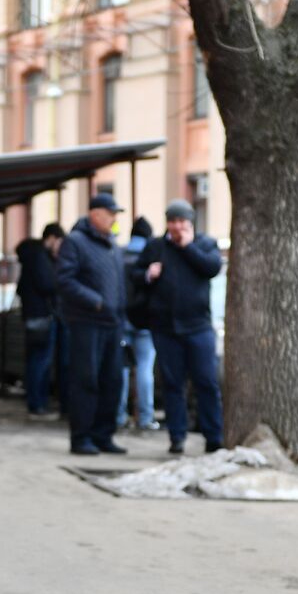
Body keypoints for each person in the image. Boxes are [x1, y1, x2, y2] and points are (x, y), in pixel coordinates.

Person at [133, 199, 224, 455]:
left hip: (199, 327)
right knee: (173, 385)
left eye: (182, 221)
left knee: (206, 383)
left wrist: (188, 247)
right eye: (172, 221)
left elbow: (212, 267)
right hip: (165, 328)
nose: (177, 227)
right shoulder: (155, 247)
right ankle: (176, 437)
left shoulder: (205, 243)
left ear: (190, 222)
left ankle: (213, 437)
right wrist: (147, 274)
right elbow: (135, 276)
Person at [57, 193, 129, 456]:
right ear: (95, 214)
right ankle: (81, 437)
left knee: (112, 381)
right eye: (110, 214)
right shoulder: (75, 242)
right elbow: (65, 281)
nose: (114, 219)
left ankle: (103, 435)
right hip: (87, 322)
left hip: (113, 324)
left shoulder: (111, 244)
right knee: (86, 380)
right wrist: (96, 301)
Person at [15, 223, 66, 418]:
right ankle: (38, 404)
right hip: (42, 315)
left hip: (32, 314)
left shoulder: (31, 256)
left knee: (35, 359)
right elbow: (48, 284)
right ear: (52, 238)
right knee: (41, 361)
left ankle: (36, 401)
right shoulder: (40, 257)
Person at [119, 217, 159, 431]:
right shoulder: (152, 256)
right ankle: (145, 418)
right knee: (144, 368)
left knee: (122, 368)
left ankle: (119, 416)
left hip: (122, 319)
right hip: (145, 322)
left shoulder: (120, 254)